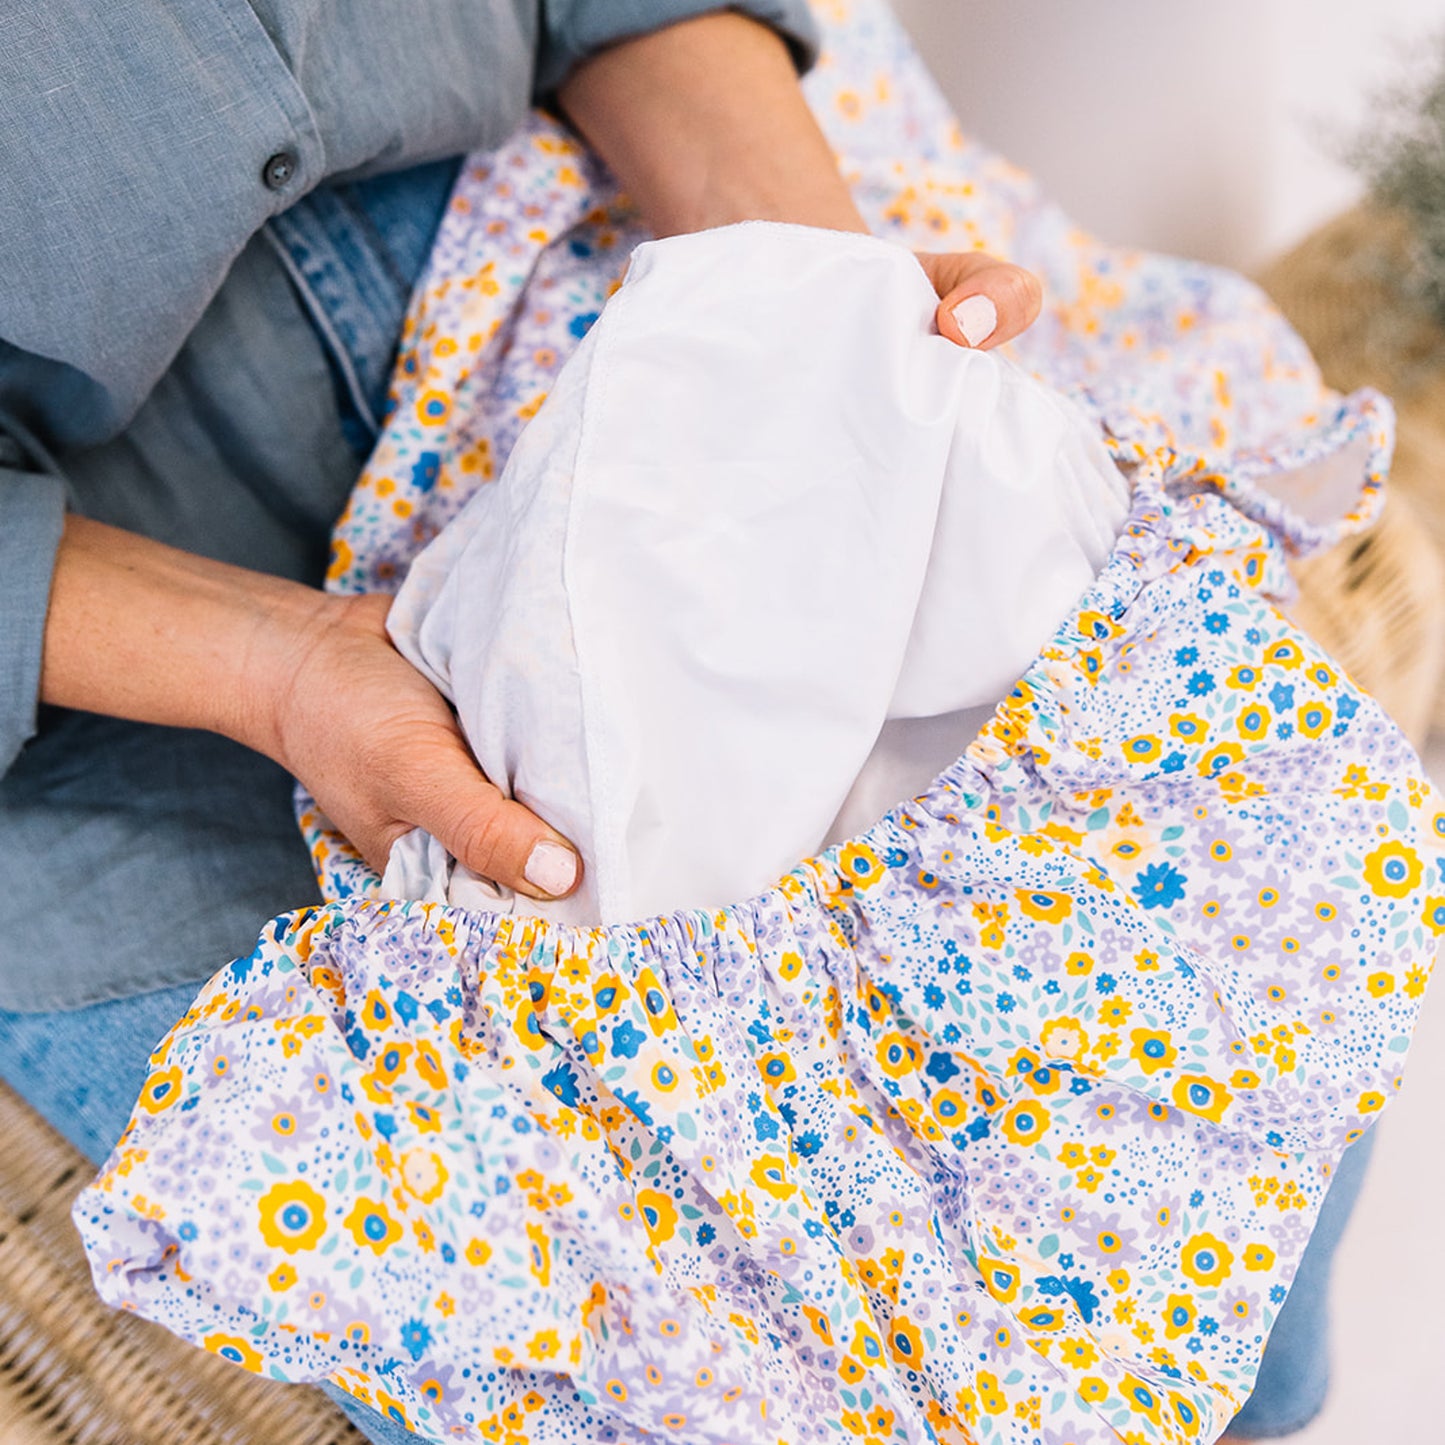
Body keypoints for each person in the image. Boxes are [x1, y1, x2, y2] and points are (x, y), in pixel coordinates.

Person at [0, 6, 1040, 1440]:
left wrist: (808, 314)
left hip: (598, 288)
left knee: (1146, 1156)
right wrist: (281, 666)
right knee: (715, 1370)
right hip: (114, 675)